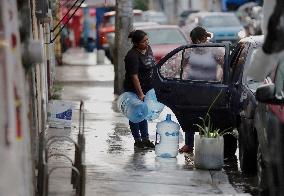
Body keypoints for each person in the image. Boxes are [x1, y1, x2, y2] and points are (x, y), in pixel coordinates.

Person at [179, 26, 224, 153]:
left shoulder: (215, 51)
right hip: (192, 88)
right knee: (189, 115)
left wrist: (222, 80)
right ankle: (188, 144)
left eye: (200, 40)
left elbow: (225, 66)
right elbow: (181, 66)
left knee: (208, 117)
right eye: (195, 41)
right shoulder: (189, 50)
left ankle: (207, 144)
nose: (198, 43)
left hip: (210, 89)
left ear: (204, 38)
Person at [123, 30, 156, 149]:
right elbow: (134, 77)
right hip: (134, 89)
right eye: (143, 41)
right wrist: (140, 94)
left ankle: (146, 139)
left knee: (144, 113)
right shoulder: (132, 56)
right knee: (135, 114)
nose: (147, 43)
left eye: (147, 40)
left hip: (147, 88)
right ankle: (138, 140)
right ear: (136, 43)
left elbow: (152, 66)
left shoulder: (148, 49)